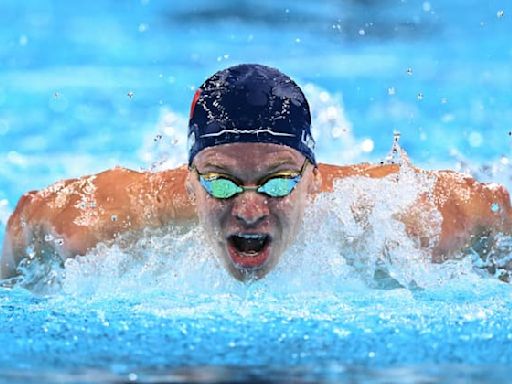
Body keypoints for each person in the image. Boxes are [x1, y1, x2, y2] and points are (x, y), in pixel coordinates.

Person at [1, 64, 511, 282]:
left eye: (278, 182)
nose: (248, 209)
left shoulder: (406, 216)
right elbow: (28, 215)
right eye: (220, 182)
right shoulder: (98, 220)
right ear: (186, 178)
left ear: (313, 176)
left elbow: (495, 207)